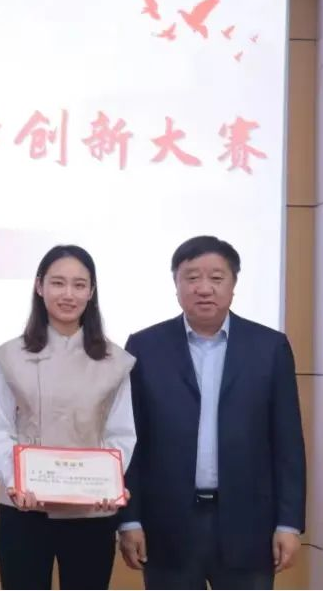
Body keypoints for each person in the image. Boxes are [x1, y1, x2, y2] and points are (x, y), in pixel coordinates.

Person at [118, 235, 306, 589]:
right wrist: (129, 520)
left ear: (233, 284)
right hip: (167, 526)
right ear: (176, 284)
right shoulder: (145, 347)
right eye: (192, 277)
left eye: (217, 278)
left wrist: (288, 523)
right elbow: (131, 441)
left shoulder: (269, 347)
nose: (204, 288)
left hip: (250, 526)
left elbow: (288, 443)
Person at [0, 244, 136, 590]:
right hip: (24, 508)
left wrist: (109, 482)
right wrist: (16, 481)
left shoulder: (114, 360)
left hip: (91, 510)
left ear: (91, 292)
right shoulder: (11, 355)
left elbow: (121, 433)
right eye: (58, 283)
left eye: (79, 285)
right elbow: (0, 429)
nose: (68, 294)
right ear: (39, 287)